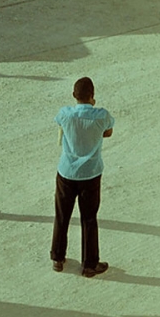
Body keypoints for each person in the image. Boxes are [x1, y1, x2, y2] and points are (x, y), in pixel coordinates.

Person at [50, 77, 115, 277]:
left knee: (62, 215)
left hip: (67, 172)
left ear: (73, 95)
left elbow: (62, 126)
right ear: (92, 96)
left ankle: (58, 257)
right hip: (91, 173)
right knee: (89, 218)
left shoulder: (65, 114)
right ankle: (89, 264)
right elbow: (108, 132)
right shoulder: (101, 116)